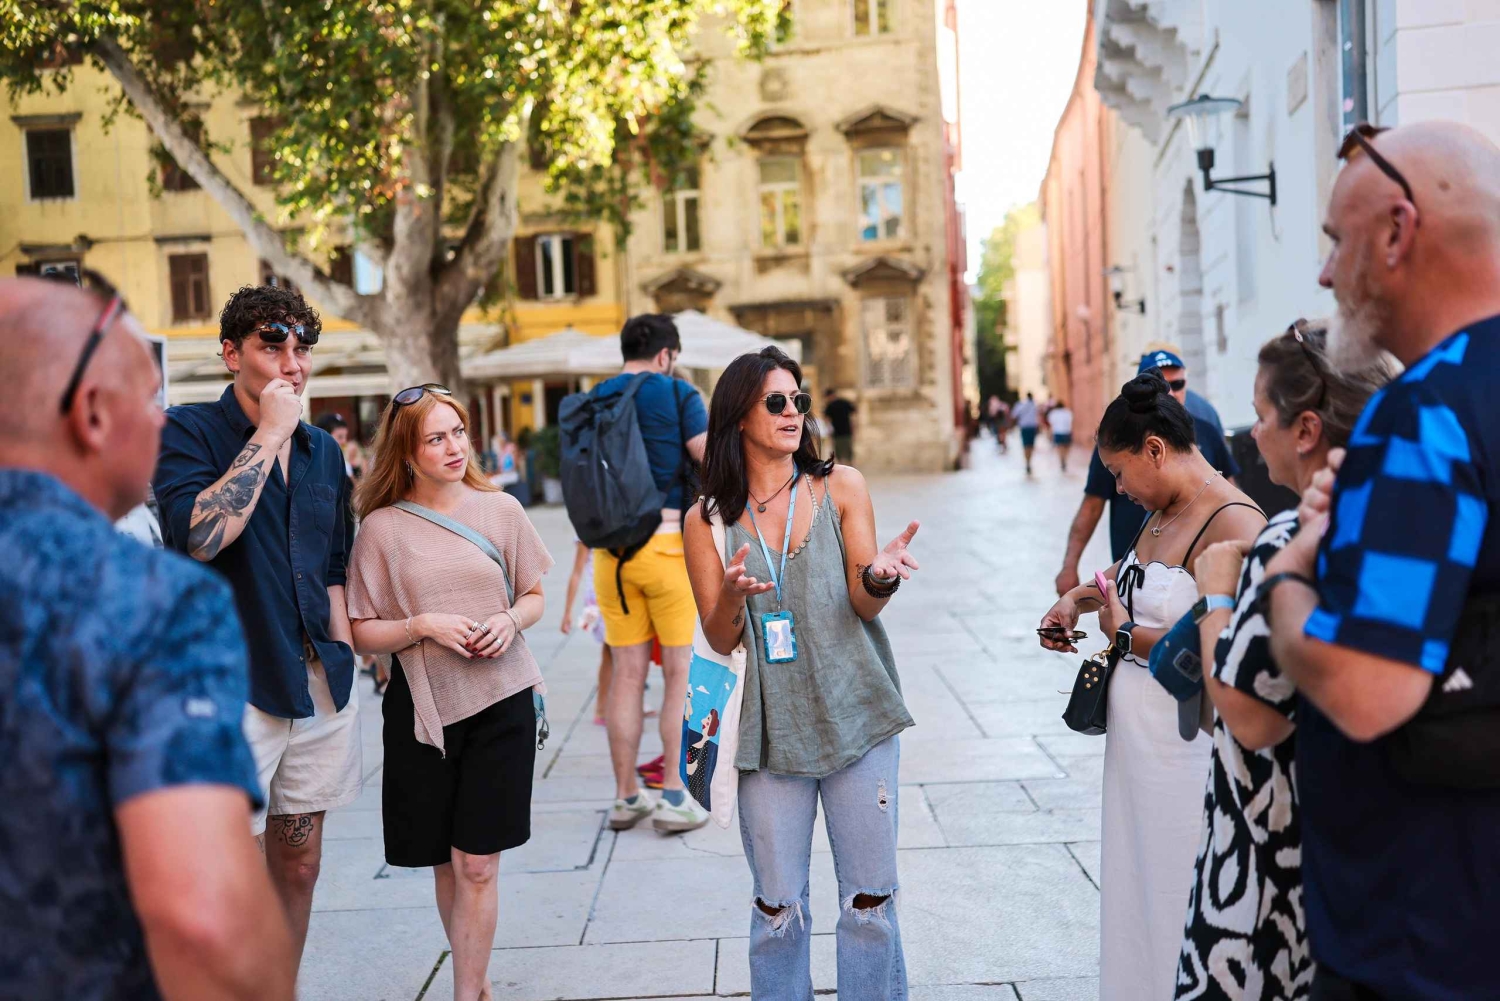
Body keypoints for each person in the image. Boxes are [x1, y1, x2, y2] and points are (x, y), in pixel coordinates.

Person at [0, 275, 294, 1000]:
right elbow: (205, 920)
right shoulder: (148, 600)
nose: (163, 423)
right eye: (149, 398)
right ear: (94, 415)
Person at [1263, 121, 1500, 999]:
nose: (1326, 274)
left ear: (1398, 231)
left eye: (1337, 241)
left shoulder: (1423, 417)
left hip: (1428, 937)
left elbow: (1367, 687)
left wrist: (1290, 580)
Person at [684, 347, 920, 1000]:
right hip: (768, 728)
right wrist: (732, 595)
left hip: (857, 713)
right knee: (776, 909)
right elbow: (717, 632)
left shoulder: (841, 486)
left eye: (799, 401)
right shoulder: (705, 518)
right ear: (738, 417)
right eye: (776, 402)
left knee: (870, 904)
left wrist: (880, 576)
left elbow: (863, 596)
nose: (794, 413)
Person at [1175, 322, 1394, 1001]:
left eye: (1261, 414)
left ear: (1304, 429)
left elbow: (1248, 718)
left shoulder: (1289, 540)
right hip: (1365, 840)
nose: (1251, 433)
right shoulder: (1397, 520)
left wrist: (1215, 593)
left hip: (1270, 849)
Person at [153, 283, 361, 973]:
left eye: (301, 347)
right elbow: (201, 536)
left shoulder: (324, 454)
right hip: (232, 685)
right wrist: (268, 432)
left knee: (298, 867)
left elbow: (334, 564)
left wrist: (350, 658)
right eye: (272, 344)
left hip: (316, 684)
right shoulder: (187, 430)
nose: (291, 362)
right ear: (229, 354)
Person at [1038, 371, 1265, 1001]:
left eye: (1118, 472)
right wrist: (1074, 602)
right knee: (1137, 888)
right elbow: (1123, 579)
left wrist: (1124, 635)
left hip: (1188, 752)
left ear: (1155, 450)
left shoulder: (1234, 523)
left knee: (1177, 887)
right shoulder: (1162, 509)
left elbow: (1225, 649)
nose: (1117, 488)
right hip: (1137, 756)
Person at [344, 385, 551, 1001]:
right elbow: (360, 633)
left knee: (479, 863)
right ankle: (476, 981)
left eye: (458, 431)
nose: (455, 447)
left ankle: (466, 992)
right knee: (446, 863)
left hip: (503, 699)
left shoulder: (502, 510)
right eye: (436, 438)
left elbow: (534, 594)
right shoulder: (380, 528)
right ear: (406, 452)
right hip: (421, 709)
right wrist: (422, 626)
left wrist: (510, 620)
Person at [589, 314, 712, 832]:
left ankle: (625, 798)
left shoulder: (595, 399)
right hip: (665, 546)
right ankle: (674, 797)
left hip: (609, 555)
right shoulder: (679, 394)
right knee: (678, 674)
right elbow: (709, 458)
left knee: (627, 675)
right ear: (667, 355)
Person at [1055, 350, 1241, 595]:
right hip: (1134, 582)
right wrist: (1073, 578)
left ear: (1158, 451)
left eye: (1178, 384)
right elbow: (1092, 506)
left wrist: (1126, 631)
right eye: (1160, 386)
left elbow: (1229, 487)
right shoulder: (1116, 443)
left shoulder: (1207, 432)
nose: (1171, 393)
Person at [561, 539, 613, 725]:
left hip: (621, 593)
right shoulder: (587, 526)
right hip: (601, 599)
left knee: (620, 653)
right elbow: (577, 572)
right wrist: (567, 612)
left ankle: (616, 703)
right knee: (611, 652)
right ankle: (602, 708)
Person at [824, 387, 857, 463]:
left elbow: (827, 420)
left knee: (839, 453)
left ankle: (843, 468)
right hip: (847, 431)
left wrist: (829, 431)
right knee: (849, 452)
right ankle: (851, 468)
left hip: (837, 433)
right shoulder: (845, 402)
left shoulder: (829, 406)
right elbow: (854, 415)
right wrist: (854, 428)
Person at [1012, 391, 1040, 474]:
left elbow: (1014, 415)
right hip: (1032, 427)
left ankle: (1027, 462)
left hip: (1024, 427)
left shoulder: (1021, 405)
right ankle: (1029, 461)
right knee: (1031, 445)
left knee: (1025, 445)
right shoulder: (1035, 404)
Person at [1049, 399, 1074, 472]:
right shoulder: (1068, 412)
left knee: (1060, 448)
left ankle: (1061, 460)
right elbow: (1070, 422)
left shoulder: (1053, 413)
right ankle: (1064, 459)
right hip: (1067, 432)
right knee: (1066, 447)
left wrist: (1051, 434)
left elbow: (1051, 423)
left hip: (1057, 432)